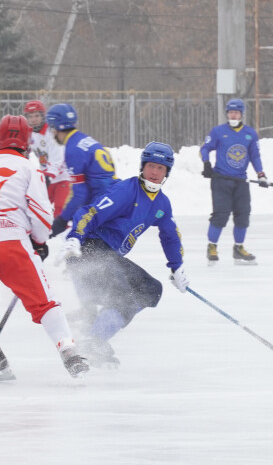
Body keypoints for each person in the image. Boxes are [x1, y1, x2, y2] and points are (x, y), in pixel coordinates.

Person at [0, 114, 88, 380]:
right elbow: (41, 213)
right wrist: (38, 241)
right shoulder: (27, 167)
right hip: (9, 243)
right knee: (43, 302)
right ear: (27, 141)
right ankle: (68, 349)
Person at [61, 141, 189, 367]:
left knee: (150, 289)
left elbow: (170, 234)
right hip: (90, 249)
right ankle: (93, 338)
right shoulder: (126, 191)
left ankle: (95, 334)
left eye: (161, 168)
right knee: (123, 293)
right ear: (143, 167)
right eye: (151, 166)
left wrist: (176, 266)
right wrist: (75, 237)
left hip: (110, 256)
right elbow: (90, 212)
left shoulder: (161, 203)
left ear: (167, 172)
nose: (155, 172)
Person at [200, 98, 267, 265]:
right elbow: (205, 148)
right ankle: (212, 246)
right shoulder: (218, 131)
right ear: (227, 113)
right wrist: (207, 164)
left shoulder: (250, 133)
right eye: (230, 112)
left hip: (240, 181)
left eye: (236, 112)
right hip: (221, 180)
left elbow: (255, 155)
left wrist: (261, 174)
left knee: (243, 215)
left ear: (242, 114)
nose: (233, 115)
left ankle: (238, 248)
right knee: (220, 215)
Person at [44, 103, 118, 237]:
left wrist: (63, 219)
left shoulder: (72, 149)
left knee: (76, 248)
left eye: (51, 128)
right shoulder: (84, 139)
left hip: (102, 206)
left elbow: (79, 193)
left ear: (56, 127)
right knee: (94, 252)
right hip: (112, 200)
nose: (51, 132)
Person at [24, 100, 72, 215]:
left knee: (60, 210)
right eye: (30, 116)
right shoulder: (29, 133)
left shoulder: (51, 133)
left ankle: (61, 232)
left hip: (62, 177)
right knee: (38, 209)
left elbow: (57, 159)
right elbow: (25, 152)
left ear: (43, 116)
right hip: (46, 176)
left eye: (36, 116)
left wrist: (48, 177)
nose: (33, 119)